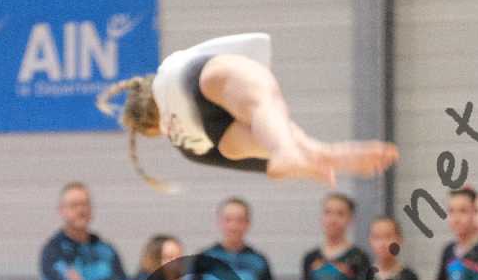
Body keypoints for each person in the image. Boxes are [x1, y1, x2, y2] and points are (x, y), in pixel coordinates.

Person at [96, 32, 399, 190]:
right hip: (192, 78)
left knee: (254, 137)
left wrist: (305, 168)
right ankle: (300, 149)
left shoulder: (183, 144)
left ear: (157, 128)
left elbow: (265, 167)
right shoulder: (169, 73)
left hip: (211, 134)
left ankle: (312, 153)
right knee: (264, 103)